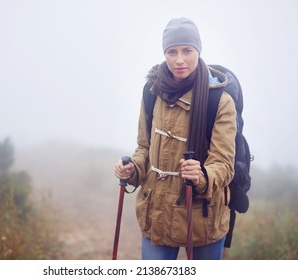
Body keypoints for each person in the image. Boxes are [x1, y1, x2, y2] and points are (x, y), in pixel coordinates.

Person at [114, 17, 237, 260]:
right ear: (165, 53)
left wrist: (202, 175)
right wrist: (132, 169)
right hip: (157, 215)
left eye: (187, 50)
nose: (179, 59)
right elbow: (144, 148)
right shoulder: (152, 92)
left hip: (202, 216)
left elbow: (224, 164)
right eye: (172, 52)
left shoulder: (220, 101)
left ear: (198, 51)